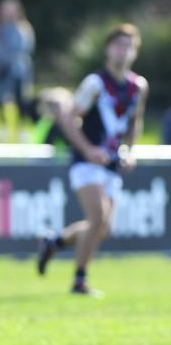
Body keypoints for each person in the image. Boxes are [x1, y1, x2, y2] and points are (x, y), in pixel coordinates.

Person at [37, 23, 148, 296]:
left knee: (102, 229)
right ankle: (79, 281)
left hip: (111, 164)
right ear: (108, 49)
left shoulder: (138, 86)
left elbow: (136, 121)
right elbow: (68, 119)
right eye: (118, 45)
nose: (123, 51)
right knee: (96, 217)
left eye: (129, 46)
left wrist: (130, 151)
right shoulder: (95, 83)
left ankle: (55, 241)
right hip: (86, 162)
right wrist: (87, 150)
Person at [0, 0, 34, 141]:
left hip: (18, 69)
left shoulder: (24, 28)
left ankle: (22, 129)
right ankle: (2, 127)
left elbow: (26, 48)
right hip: (1, 69)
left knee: (21, 99)